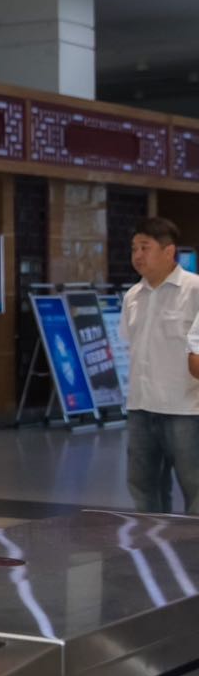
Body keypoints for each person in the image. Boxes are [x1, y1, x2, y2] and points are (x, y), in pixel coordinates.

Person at [126, 217, 199, 513]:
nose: (138, 255)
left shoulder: (194, 290)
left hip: (186, 410)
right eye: (134, 248)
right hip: (141, 408)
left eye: (145, 247)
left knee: (195, 486)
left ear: (169, 251)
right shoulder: (132, 296)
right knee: (143, 486)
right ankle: (151, 541)